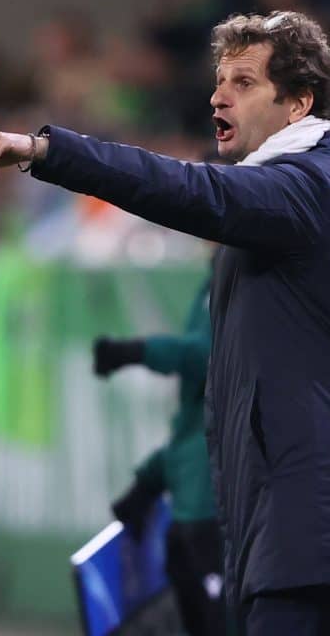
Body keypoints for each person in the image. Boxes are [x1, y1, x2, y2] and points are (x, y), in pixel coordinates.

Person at [0, 10, 330, 636]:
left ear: (298, 103)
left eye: (244, 82)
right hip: (295, 531)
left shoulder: (316, 188)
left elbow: (191, 190)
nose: (218, 97)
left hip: (321, 534)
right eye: (219, 80)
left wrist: (45, 151)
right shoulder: (298, 197)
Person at [93, 261, 224, 636]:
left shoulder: (247, 277)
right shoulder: (216, 279)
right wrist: (149, 480)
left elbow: (207, 356)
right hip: (194, 506)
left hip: (214, 508)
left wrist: (139, 351)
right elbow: (193, 422)